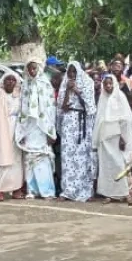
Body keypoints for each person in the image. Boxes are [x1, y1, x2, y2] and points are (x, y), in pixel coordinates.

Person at [56, 62, 97, 202]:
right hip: (69, 121)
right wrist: (68, 90)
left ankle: (85, 190)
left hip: (83, 122)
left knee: (83, 157)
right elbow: (63, 106)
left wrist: (78, 90)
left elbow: (90, 106)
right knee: (68, 156)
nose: (72, 74)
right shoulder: (64, 84)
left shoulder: (87, 82)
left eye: (74, 72)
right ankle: (68, 191)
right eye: (69, 72)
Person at [16, 61, 58, 198]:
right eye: (29, 69)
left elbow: (50, 109)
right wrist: (21, 130)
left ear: (38, 69)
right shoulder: (25, 86)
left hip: (42, 127)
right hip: (29, 126)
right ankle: (32, 190)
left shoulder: (46, 85)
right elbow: (22, 108)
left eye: (34, 68)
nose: (32, 71)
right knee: (29, 159)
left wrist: (50, 131)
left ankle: (47, 191)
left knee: (42, 159)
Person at [93, 73, 132, 202]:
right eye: (105, 84)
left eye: (110, 83)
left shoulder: (120, 97)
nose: (108, 86)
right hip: (105, 137)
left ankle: (125, 193)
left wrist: (123, 137)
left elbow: (126, 119)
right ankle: (108, 194)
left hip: (117, 137)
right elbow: (99, 119)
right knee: (106, 166)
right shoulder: (102, 98)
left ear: (114, 84)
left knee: (119, 164)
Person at [0, 72, 24, 201]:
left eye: (13, 80)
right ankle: (0, 191)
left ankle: (16, 190)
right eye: (8, 79)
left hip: (16, 129)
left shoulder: (19, 95)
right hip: (1, 129)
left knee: (16, 160)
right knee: (2, 160)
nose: (10, 82)